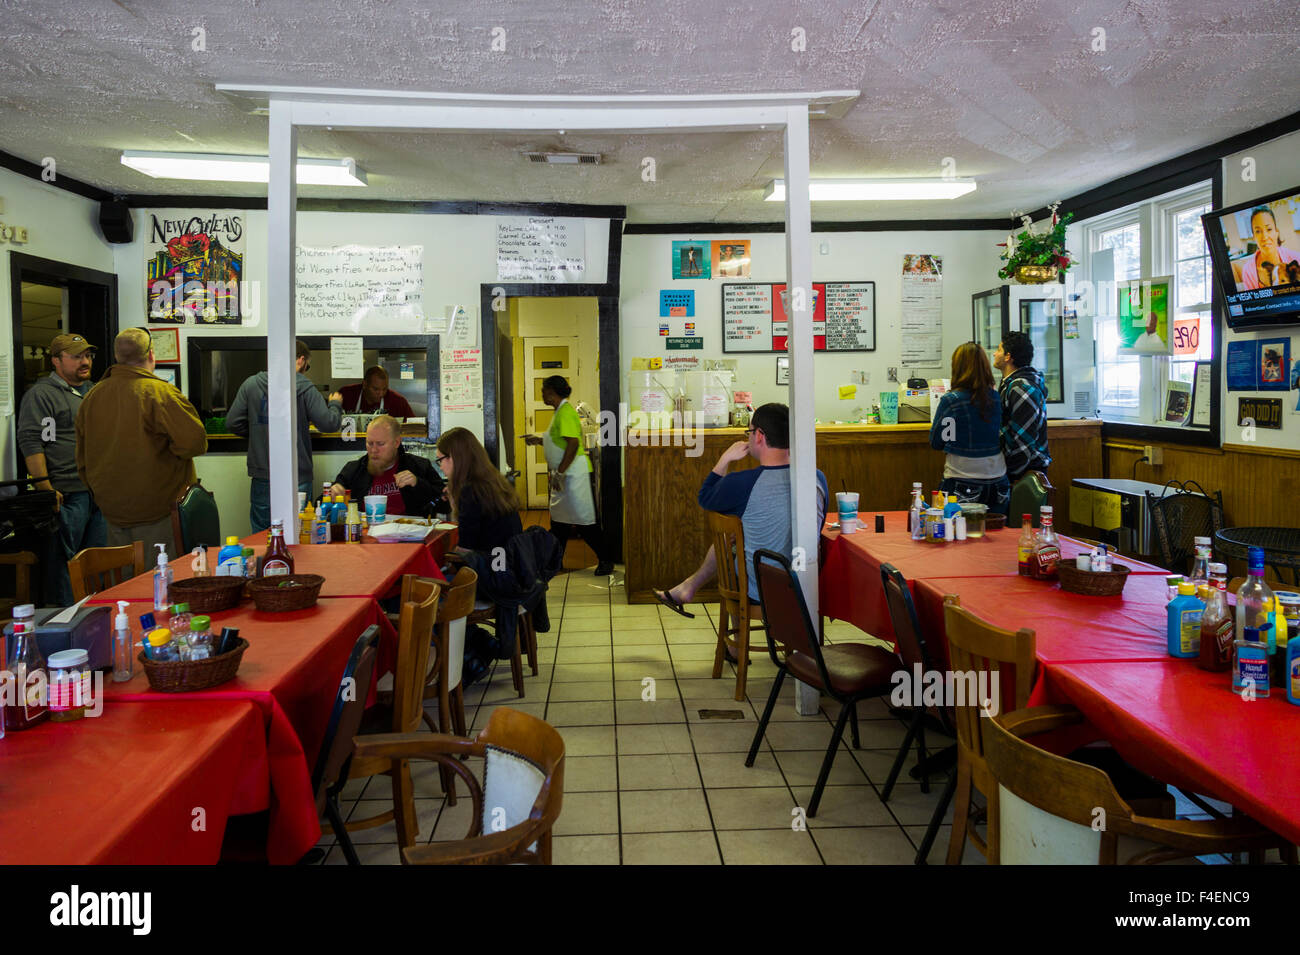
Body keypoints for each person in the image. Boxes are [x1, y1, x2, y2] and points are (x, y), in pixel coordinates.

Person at [654, 402, 828, 617]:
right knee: (739, 536)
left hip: (760, 588)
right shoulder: (817, 477)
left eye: (749, 432)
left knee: (731, 539)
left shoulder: (743, 482)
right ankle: (688, 587)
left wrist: (724, 459)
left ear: (759, 436)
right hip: (810, 583)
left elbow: (705, 497)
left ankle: (735, 647)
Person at [75, 327, 207, 558]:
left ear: (117, 357)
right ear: (151, 354)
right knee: (161, 583)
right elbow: (194, 444)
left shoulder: (92, 397)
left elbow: (82, 460)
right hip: (159, 513)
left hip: (112, 514)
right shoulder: (161, 394)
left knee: (126, 586)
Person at [17, 333, 106, 605]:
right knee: (66, 565)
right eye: (76, 356)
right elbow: (32, 441)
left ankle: (96, 617)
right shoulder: (42, 394)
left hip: (97, 491)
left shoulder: (92, 390)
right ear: (56, 360)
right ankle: (66, 623)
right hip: (66, 493)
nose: (85, 361)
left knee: (98, 562)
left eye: (88, 355)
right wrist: (45, 487)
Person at [227, 339, 343, 533]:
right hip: (297, 474)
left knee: (261, 533)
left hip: (263, 474)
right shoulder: (304, 387)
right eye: (307, 366)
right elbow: (329, 423)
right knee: (297, 531)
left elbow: (232, 423)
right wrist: (335, 404)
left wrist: (259, 433)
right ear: (300, 360)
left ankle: (266, 563)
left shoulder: (251, 384)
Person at [524, 375, 614, 576]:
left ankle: (606, 559)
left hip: (573, 475)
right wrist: (538, 440)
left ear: (551, 392)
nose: (542, 394)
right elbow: (560, 441)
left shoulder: (565, 412)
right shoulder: (559, 411)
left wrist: (561, 472)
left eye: (543, 390)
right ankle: (554, 562)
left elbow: (573, 443)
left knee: (584, 522)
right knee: (559, 523)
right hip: (565, 475)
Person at [930, 342, 1009, 515]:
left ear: (957, 367)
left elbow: (938, 441)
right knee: (997, 535)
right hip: (998, 481)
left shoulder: (951, 400)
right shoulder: (995, 398)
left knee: (957, 534)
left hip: (962, 479)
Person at [329, 414, 446, 518]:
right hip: (364, 535)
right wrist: (332, 494)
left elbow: (445, 504)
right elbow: (321, 505)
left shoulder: (419, 466)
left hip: (408, 535)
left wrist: (418, 484)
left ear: (396, 443)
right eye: (369, 443)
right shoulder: (354, 469)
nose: (374, 450)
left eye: (380, 444)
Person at [435, 427, 522, 555]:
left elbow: (465, 548)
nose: (440, 466)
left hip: (493, 567)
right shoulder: (491, 480)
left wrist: (455, 504)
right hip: (509, 561)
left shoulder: (470, 491)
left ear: (453, 457)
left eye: (439, 460)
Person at [992, 330, 1051, 485]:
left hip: (1024, 472)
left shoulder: (1021, 388)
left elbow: (1023, 442)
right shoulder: (1012, 384)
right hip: (1018, 469)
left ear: (1008, 357)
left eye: (999, 350)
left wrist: (1010, 474)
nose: (994, 354)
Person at [1238, 206, 1300, 290]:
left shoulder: (1296, 258)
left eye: (1269, 229)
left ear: (1276, 232)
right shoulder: (1248, 271)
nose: (1264, 237)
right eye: (1258, 231)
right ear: (1254, 237)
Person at [338, 365, 416, 418]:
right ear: (364, 384)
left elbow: (413, 429)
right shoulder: (346, 394)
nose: (381, 393)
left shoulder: (398, 402)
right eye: (376, 389)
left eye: (384, 389)